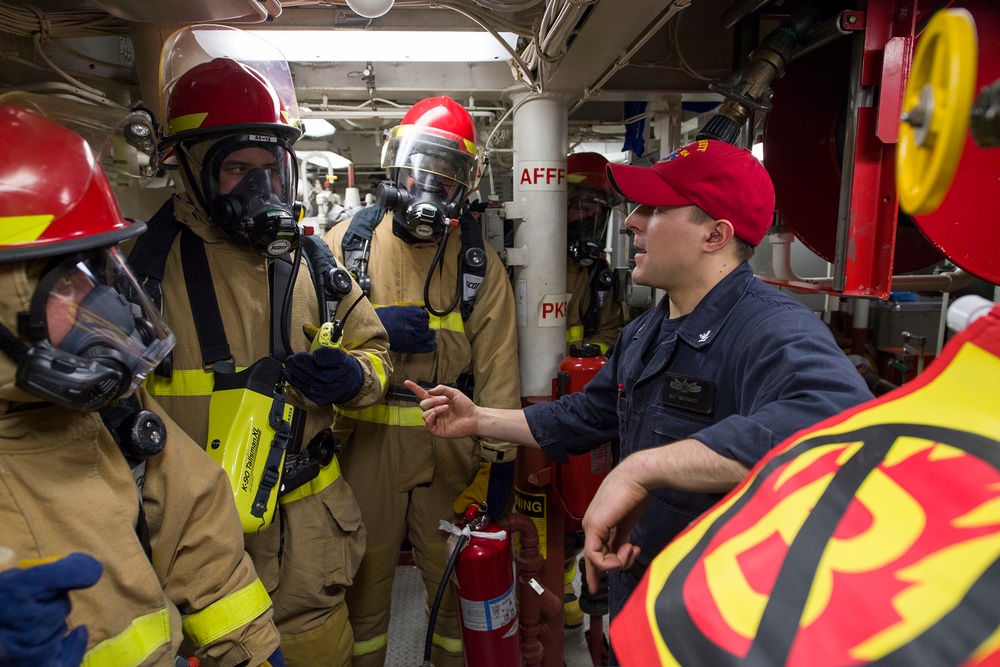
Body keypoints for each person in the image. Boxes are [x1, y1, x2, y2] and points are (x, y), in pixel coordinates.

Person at [407, 138, 875, 661]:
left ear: (715, 235)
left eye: (654, 209)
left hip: (720, 614)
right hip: (643, 587)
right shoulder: (649, 330)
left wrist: (639, 470)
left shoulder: (771, 329)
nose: (630, 221)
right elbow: (587, 414)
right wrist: (480, 419)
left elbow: (837, 429)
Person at [0, 102, 283, 666]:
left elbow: (199, 535)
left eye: (97, 275)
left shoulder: (110, 409)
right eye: (65, 284)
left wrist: (251, 652)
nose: (99, 309)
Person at [134, 48, 390, 666]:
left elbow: (375, 350)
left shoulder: (310, 262)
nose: (259, 188)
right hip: (199, 563)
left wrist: (354, 374)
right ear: (190, 168)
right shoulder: (140, 278)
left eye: (269, 169)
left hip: (311, 555)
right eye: (236, 169)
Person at [323, 96, 521, 667]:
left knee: (455, 588)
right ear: (396, 170)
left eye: (446, 176)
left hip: (450, 451)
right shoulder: (347, 246)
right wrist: (369, 327)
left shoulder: (478, 265)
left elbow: (499, 367)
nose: (428, 188)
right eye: (419, 170)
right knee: (360, 584)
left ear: (465, 187)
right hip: (363, 447)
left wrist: (499, 459)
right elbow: (304, 342)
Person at [562, 152, 628, 627]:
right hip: (533, 399)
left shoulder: (599, 276)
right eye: (577, 204)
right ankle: (547, 583)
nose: (586, 215)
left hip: (580, 400)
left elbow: (610, 331)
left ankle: (568, 581)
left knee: (581, 497)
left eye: (596, 207)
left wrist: (593, 349)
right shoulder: (519, 257)